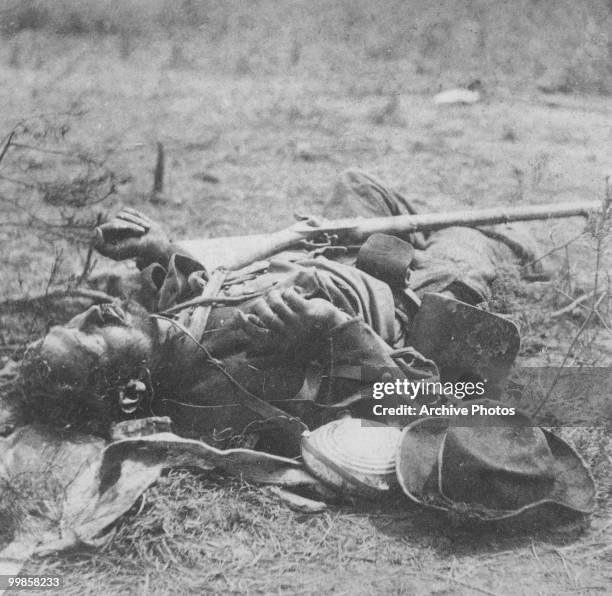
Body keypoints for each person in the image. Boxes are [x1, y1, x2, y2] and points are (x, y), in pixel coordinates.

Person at [19, 169, 538, 454]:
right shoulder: (229, 393)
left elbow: (198, 293)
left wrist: (159, 250)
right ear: (132, 391)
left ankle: (411, 232)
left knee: (357, 185)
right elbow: (415, 405)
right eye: (90, 339)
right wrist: (332, 331)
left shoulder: (166, 337)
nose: (92, 315)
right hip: (410, 302)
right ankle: (502, 246)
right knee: (466, 243)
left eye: (70, 323)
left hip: (328, 254)